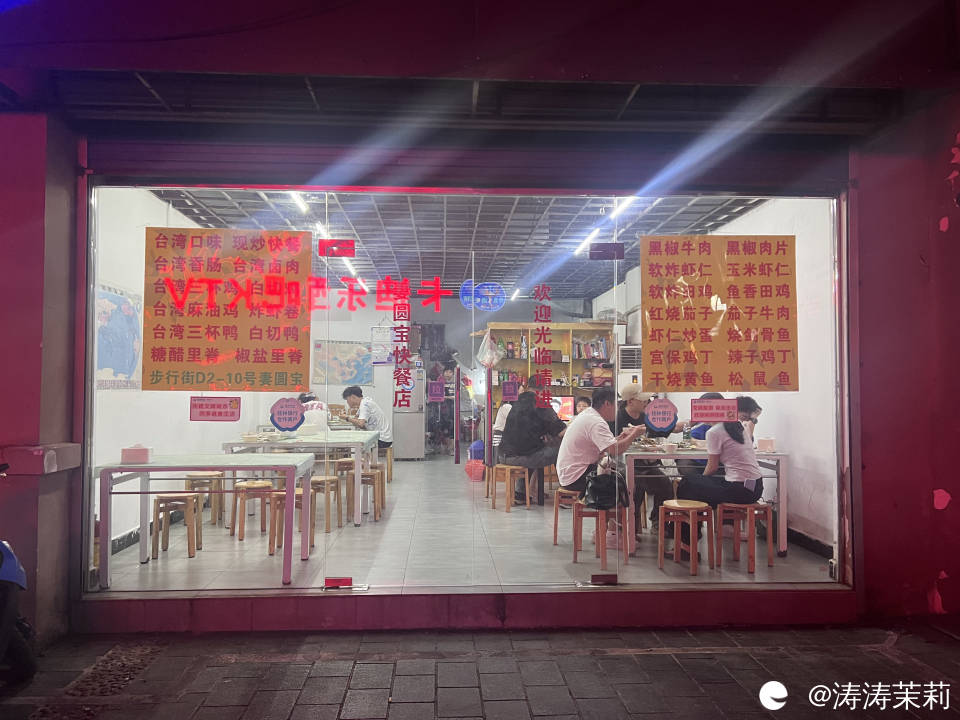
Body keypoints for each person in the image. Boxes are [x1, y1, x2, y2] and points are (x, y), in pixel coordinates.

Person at [676, 396, 765, 549]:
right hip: (755, 487)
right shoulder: (738, 426)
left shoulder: (714, 432)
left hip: (741, 490)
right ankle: (690, 539)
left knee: (687, 485)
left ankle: (686, 544)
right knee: (692, 485)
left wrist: (699, 483)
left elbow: (712, 468)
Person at [611, 385, 685, 536]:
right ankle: (630, 529)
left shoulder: (646, 417)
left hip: (645, 463)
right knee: (636, 487)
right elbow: (613, 447)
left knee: (665, 485)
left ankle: (657, 522)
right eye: (643, 400)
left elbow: (665, 429)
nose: (647, 403)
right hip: (622, 465)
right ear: (630, 401)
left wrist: (684, 424)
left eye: (647, 400)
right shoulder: (617, 419)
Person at [556, 387, 645, 495]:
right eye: (616, 405)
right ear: (607, 404)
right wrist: (633, 435)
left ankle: (622, 506)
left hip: (570, 473)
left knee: (630, 477)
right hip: (577, 477)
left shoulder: (590, 414)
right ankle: (620, 507)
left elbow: (607, 445)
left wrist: (622, 437)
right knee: (632, 481)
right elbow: (614, 450)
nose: (617, 409)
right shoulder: (596, 422)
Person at [499, 391, 566, 503]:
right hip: (520, 457)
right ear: (544, 389)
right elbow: (561, 431)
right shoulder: (540, 403)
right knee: (560, 451)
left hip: (502, 455)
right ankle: (566, 494)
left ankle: (521, 494)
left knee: (531, 450)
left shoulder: (517, 401)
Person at [675, 392, 725, 482]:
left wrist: (695, 441)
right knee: (683, 463)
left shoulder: (724, 427)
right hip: (696, 460)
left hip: (717, 463)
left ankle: (700, 484)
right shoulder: (698, 422)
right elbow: (683, 435)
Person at [492, 384, 526, 461]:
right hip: (500, 442)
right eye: (522, 391)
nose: (523, 394)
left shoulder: (510, 406)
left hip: (504, 441)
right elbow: (517, 422)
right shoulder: (507, 407)